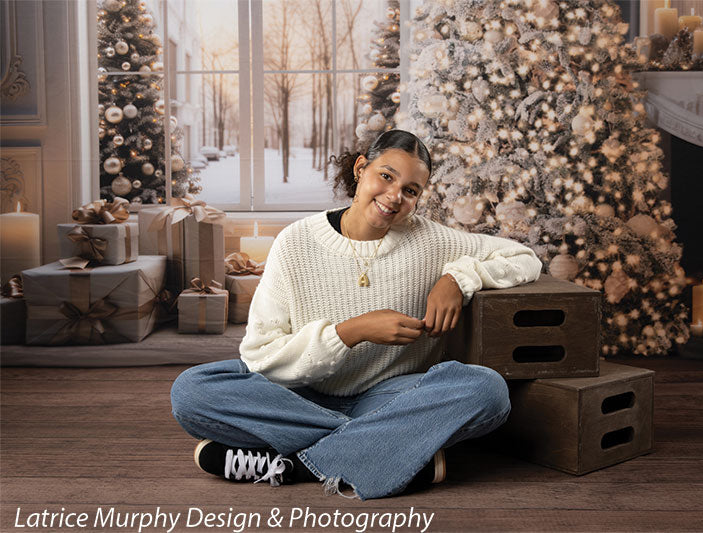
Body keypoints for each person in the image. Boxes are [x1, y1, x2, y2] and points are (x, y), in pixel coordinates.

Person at [170, 129, 542, 500]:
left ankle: (294, 465)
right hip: (299, 399)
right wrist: (351, 331)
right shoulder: (295, 242)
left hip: (391, 398)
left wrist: (458, 278)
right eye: (386, 176)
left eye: (411, 191)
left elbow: (525, 257)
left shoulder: (433, 240)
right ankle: (388, 450)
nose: (395, 196)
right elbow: (259, 357)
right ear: (361, 168)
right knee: (191, 391)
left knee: (488, 391)